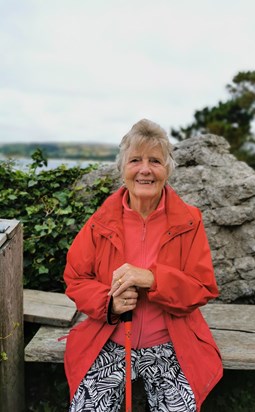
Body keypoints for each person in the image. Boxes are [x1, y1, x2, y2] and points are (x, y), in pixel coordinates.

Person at [63, 119, 223, 412]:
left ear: (167, 169)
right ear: (123, 168)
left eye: (155, 161)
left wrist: (152, 279)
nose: (145, 169)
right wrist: (108, 302)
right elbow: (76, 278)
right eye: (135, 160)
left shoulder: (189, 221)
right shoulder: (101, 222)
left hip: (170, 344)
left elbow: (202, 288)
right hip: (108, 341)